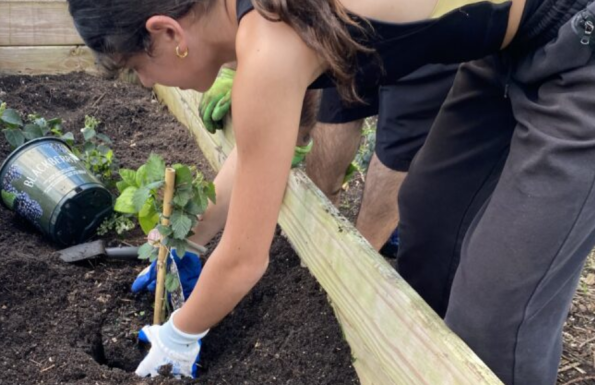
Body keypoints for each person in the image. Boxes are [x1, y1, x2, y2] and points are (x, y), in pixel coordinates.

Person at [67, 0, 595, 383]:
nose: (143, 84)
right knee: (429, 221)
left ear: (167, 31)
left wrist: (180, 334)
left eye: (137, 67)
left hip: (578, 45)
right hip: (500, 51)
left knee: (498, 318)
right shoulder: (255, 22)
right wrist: (189, 238)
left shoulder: (269, 43)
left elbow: (245, 261)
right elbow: (252, 162)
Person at [199, 63, 459, 252]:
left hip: (438, 18)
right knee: (338, 100)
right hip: (353, 15)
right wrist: (236, 67)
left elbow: (243, 264)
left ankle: (360, 261)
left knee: (401, 137)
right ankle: (317, 239)